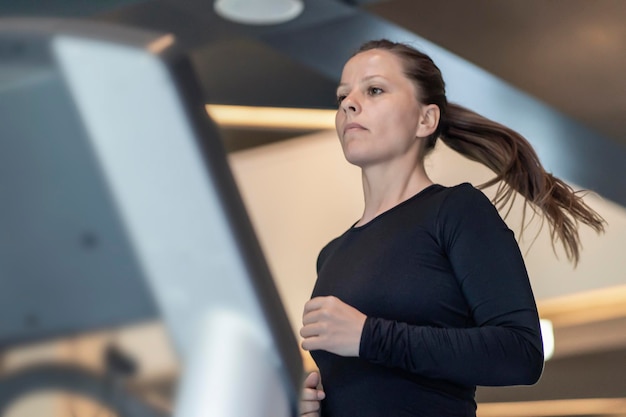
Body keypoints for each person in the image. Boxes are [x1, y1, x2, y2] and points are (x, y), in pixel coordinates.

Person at [298, 39, 606, 417]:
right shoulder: (330, 256)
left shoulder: (456, 212)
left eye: (374, 90)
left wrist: (369, 336)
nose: (348, 104)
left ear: (425, 120)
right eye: (342, 96)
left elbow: (521, 353)